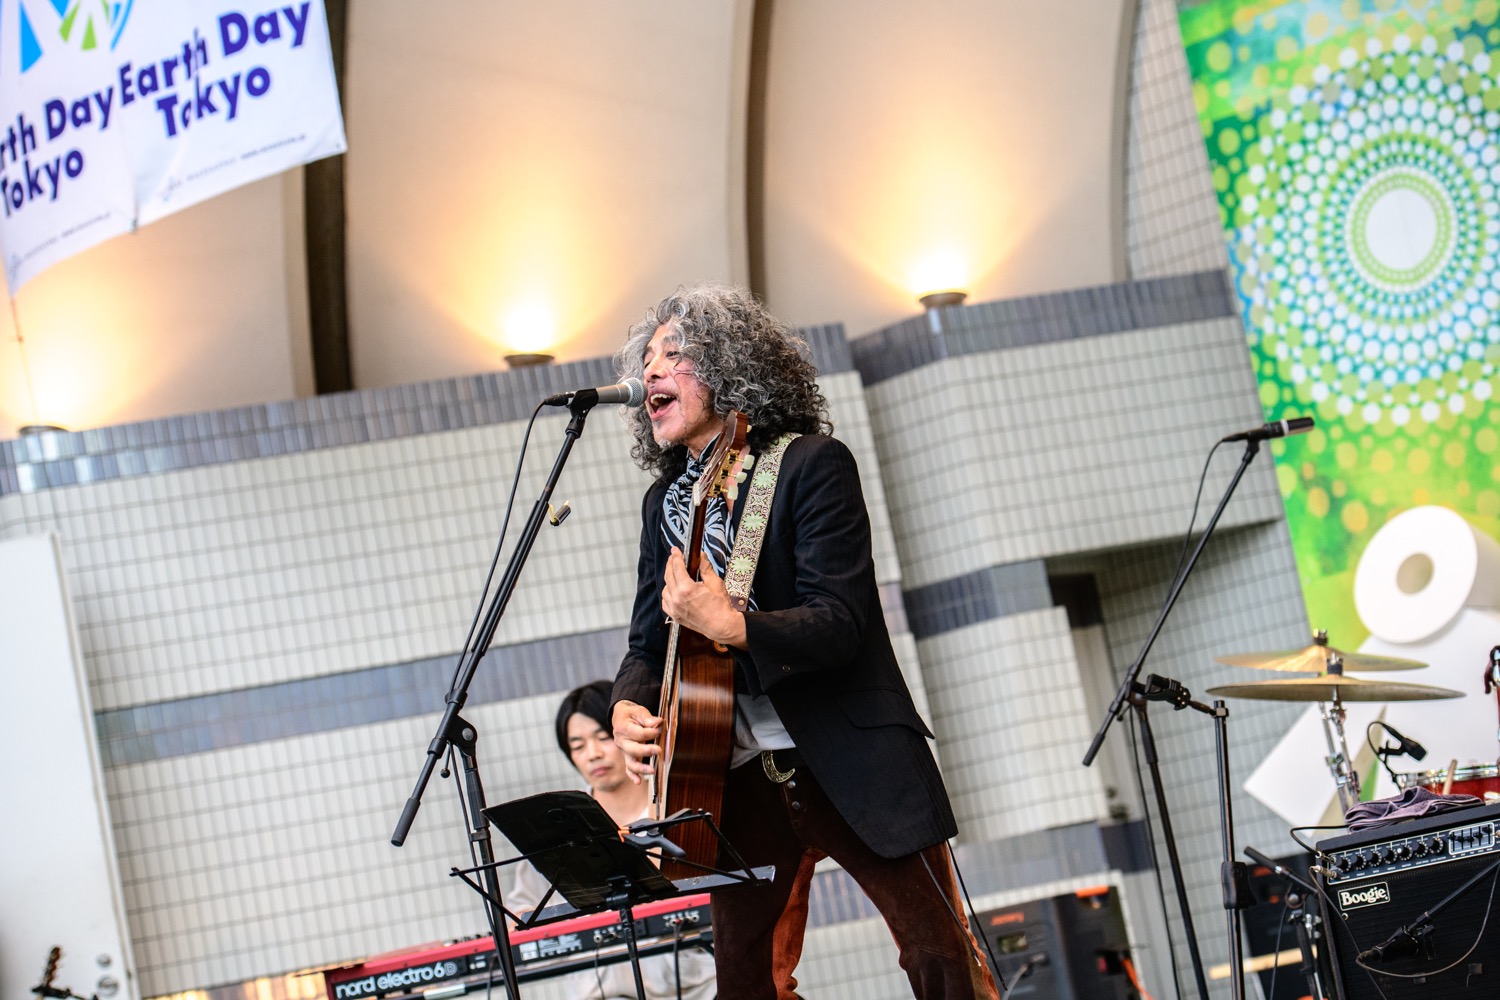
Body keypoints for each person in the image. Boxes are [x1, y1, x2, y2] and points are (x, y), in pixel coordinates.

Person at [609, 284, 1000, 999]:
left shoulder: (811, 464)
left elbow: (840, 623)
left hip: (850, 756)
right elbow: (646, 643)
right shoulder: (664, 504)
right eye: (648, 358)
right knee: (745, 985)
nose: (652, 371)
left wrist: (729, 624)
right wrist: (626, 706)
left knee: (937, 959)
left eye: (675, 354)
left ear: (729, 367)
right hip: (734, 775)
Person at [509, 680, 717, 1000]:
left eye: (603, 737)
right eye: (578, 746)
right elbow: (520, 915)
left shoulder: (677, 806)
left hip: (698, 988)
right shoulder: (560, 828)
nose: (593, 754)